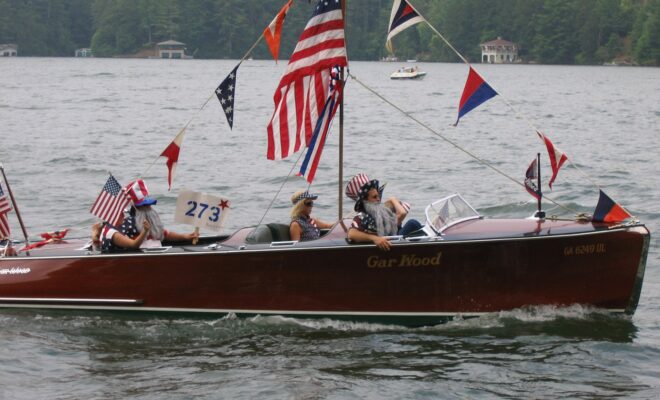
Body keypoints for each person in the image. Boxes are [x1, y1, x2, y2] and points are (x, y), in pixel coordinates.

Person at [346, 174, 422, 251]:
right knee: (412, 223)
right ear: (365, 201)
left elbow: (400, 213)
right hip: (391, 244)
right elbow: (351, 233)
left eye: (378, 196)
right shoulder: (361, 216)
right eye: (374, 197)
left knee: (414, 226)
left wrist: (392, 201)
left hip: (393, 239)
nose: (378, 199)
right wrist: (375, 239)